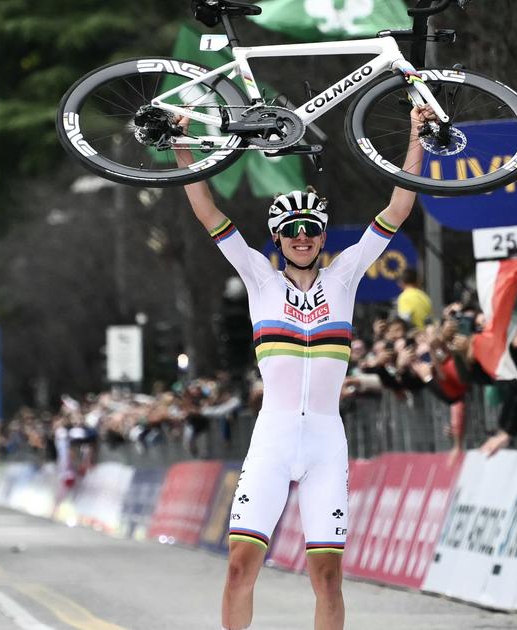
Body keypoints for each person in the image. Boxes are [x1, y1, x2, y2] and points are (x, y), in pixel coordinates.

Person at [176, 105, 435, 630]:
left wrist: (416, 136)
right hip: (271, 441)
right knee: (240, 567)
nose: (302, 237)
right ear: (278, 237)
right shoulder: (258, 279)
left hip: (324, 443)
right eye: (292, 230)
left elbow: (400, 204)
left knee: (327, 577)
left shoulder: (344, 278)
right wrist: (183, 147)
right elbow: (206, 211)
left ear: (321, 236)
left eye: (311, 229)